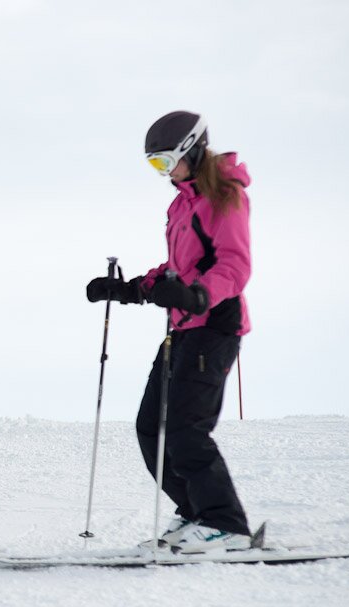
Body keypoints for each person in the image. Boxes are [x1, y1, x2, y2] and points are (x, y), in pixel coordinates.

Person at [86, 111, 252, 553]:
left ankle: (226, 524)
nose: (163, 173)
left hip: (213, 326)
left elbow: (233, 266)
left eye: (165, 163)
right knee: (150, 428)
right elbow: (175, 271)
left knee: (184, 430)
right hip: (182, 331)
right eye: (154, 166)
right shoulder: (182, 203)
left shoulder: (224, 197)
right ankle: (196, 513)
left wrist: (199, 295)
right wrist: (128, 290)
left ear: (193, 150)